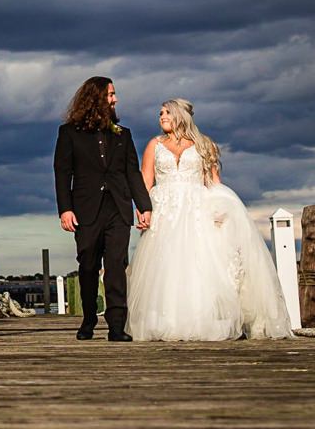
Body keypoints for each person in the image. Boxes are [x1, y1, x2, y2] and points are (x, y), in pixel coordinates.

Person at [126, 99, 293, 341]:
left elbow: (214, 182)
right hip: (165, 211)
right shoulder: (154, 145)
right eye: (160, 113)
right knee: (165, 265)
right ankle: (166, 321)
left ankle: (200, 319)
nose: (161, 116)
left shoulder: (204, 145)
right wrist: (142, 209)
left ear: (181, 115)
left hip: (196, 210)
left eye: (166, 112)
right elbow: (145, 180)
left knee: (198, 264)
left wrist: (220, 210)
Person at [53, 77, 152, 341]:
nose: (115, 99)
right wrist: (65, 209)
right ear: (96, 98)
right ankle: (88, 319)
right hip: (85, 210)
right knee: (87, 264)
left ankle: (117, 325)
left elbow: (132, 172)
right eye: (111, 94)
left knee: (117, 265)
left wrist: (143, 206)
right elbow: (62, 173)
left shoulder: (123, 134)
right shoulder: (69, 133)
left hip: (118, 208)